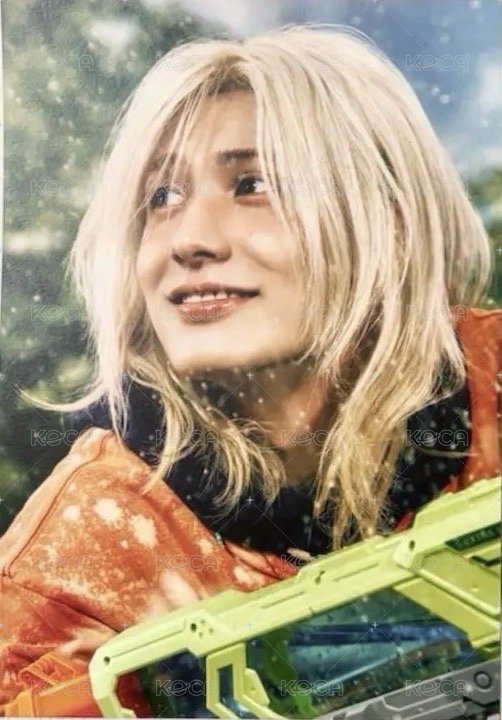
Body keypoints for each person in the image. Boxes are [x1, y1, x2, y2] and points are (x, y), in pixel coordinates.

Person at [0, 23, 500, 714]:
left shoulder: (493, 380)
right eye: (160, 197)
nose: (189, 240)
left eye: (253, 184)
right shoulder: (76, 559)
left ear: (389, 219)